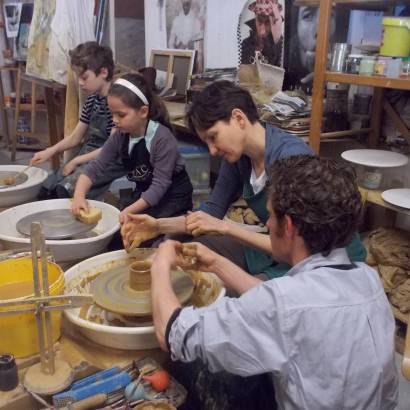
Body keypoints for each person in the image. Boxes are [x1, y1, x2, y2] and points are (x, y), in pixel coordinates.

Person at [150, 155, 399, 410]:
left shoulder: (284, 304)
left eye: (269, 216)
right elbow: (289, 311)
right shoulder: (366, 278)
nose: (267, 224)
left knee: (195, 369)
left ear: (288, 226)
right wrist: (215, 263)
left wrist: (160, 265)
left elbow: (172, 335)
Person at [121, 81, 366, 279]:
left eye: (213, 137)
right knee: (187, 253)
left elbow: (298, 245)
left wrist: (228, 229)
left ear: (238, 118)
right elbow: (212, 212)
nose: (212, 150)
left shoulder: (290, 157)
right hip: (279, 246)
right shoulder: (239, 158)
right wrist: (157, 225)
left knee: (240, 298)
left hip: (321, 259)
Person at [71, 73, 193, 227]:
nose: (114, 120)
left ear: (143, 112)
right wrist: (79, 196)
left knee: (151, 241)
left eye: (121, 115)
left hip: (173, 198)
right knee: (120, 235)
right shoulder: (120, 136)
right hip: (145, 194)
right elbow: (95, 167)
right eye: (112, 114)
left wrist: (129, 211)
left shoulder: (162, 138)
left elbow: (159, 185)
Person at [30, 42, 123, 199]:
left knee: (64, 191)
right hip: (88, 154)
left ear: (104, 72)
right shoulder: (92, 99)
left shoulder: (118, 102)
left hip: (110, 159)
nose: (80, 82)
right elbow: (75, 137)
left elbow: (111, 148)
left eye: (84, 77)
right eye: (77, 77)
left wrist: (76, 160)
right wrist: (50, 151)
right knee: (46, 187)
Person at [240, 0, 284, 67]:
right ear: (255, 20)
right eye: (260, 21)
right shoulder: (246, 44)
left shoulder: (284, 46)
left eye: (267, 22)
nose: (262, 31)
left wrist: (277, 39)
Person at [168, 0, 204, 72]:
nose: (185, 6)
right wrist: (175, 49)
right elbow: (171, 41)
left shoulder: (196, 21)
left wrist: (189, 44)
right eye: (184, 4)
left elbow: (199, 39)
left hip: (192, 53)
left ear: (190, 4)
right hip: (179, 55)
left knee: (191, 76)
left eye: (188, 4)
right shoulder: (176, 20)